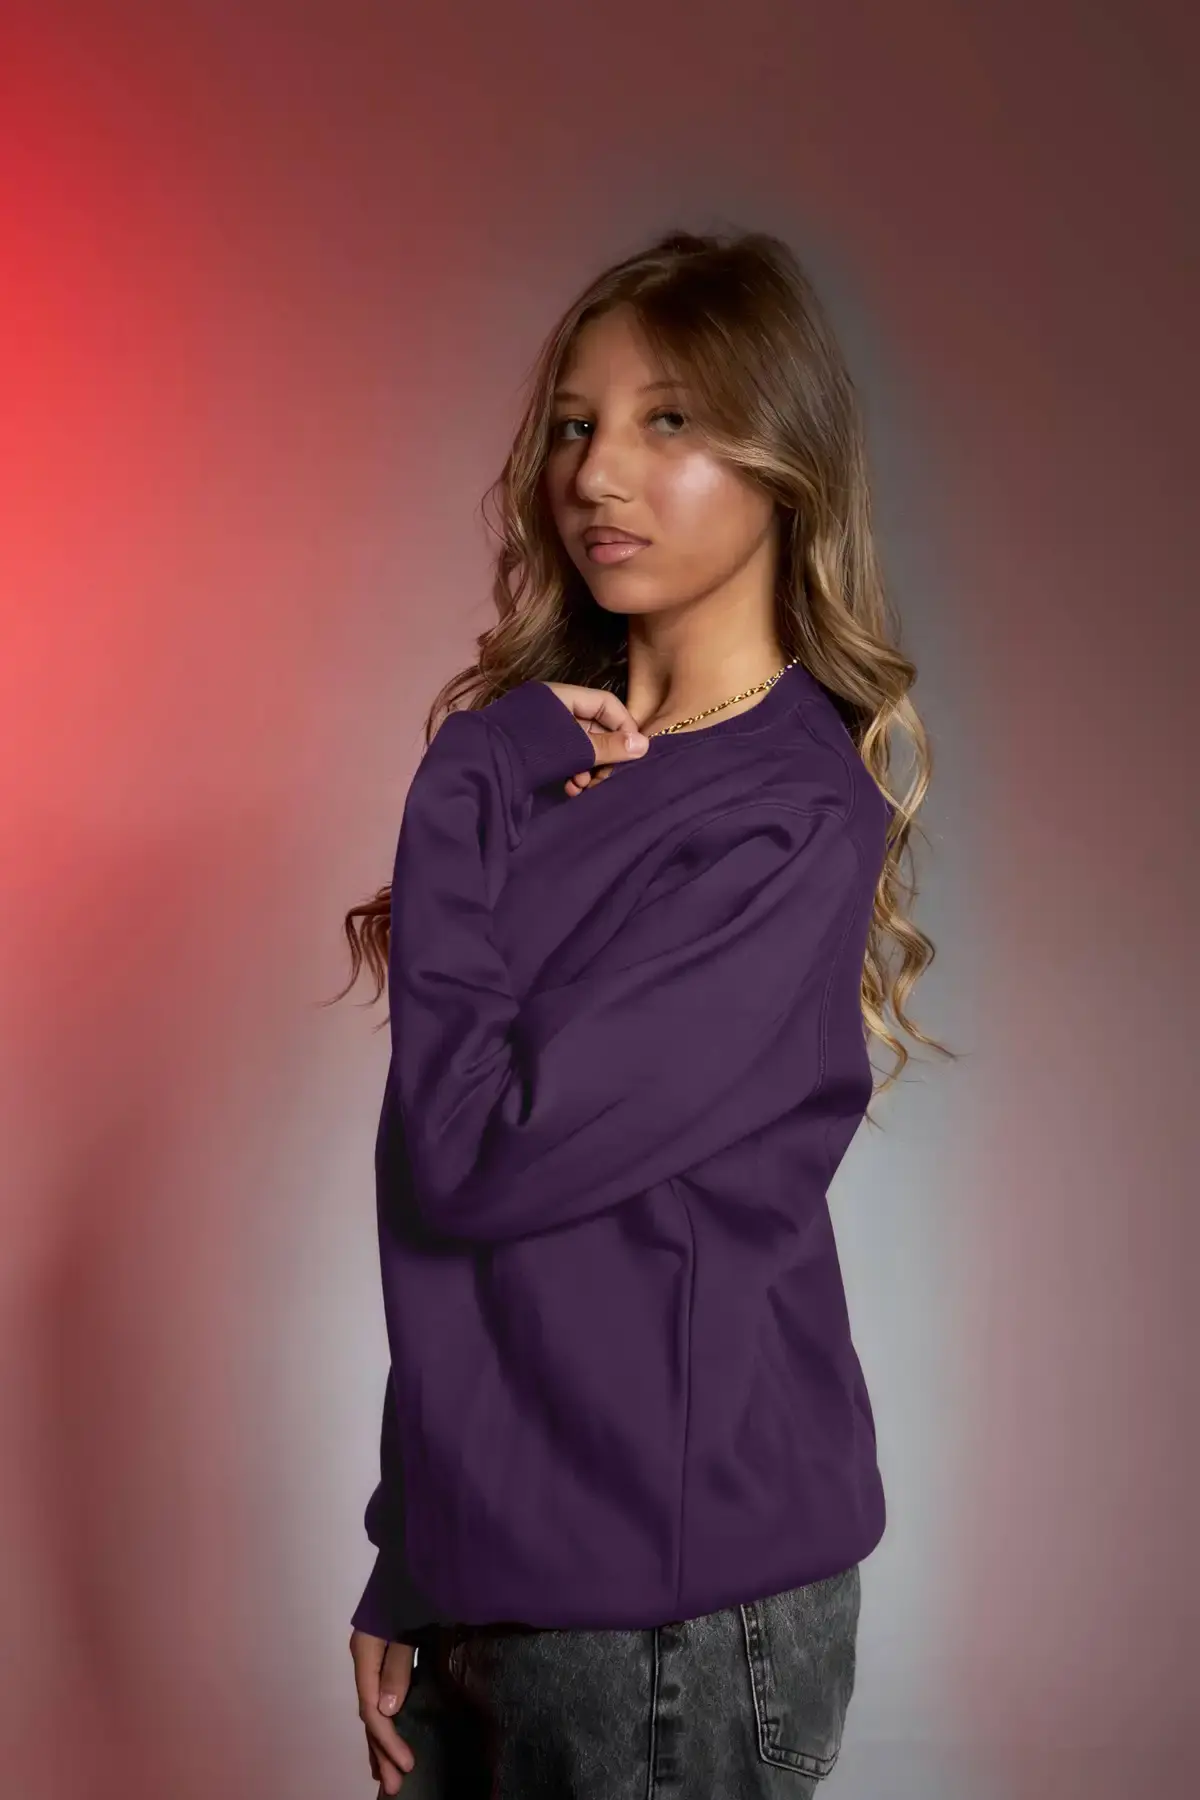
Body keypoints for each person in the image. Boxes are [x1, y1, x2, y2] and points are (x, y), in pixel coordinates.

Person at [329, 227, 951, 1798]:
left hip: (663, 1620)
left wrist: (464, 775)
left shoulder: (785, 820)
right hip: (495, 1570)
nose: (597, 472)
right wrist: (412, 1549)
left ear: (784, 463)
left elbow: (479, 1154)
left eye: (670, 419)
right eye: (573, 424)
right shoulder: (554, 770)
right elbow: (474, 1252)